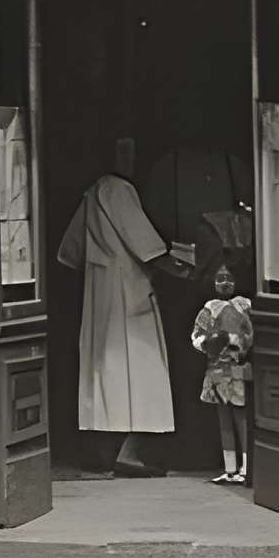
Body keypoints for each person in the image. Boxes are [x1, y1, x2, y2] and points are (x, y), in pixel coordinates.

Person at [56, 136, 180, 476]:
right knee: (137, 368)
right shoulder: (117, 189)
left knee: (106, 371)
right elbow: (146, 246)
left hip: (100, 289)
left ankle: (108, 448)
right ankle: (130, 449)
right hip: (127, 289)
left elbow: (70, 251)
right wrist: (184, 267)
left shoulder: (94, 192)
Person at [190, 259, 254, 483]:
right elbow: (197, 335)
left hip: (237, 367)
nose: (225, 283)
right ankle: (230, 469)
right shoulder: (210, 308)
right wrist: (208, 342)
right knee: (224, 419)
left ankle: (246, 468)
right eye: (220, 279)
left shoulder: (244, 305)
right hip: (217, 370)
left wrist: (240, 343)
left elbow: (251, 334)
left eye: (229, 278)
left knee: (241, 418)